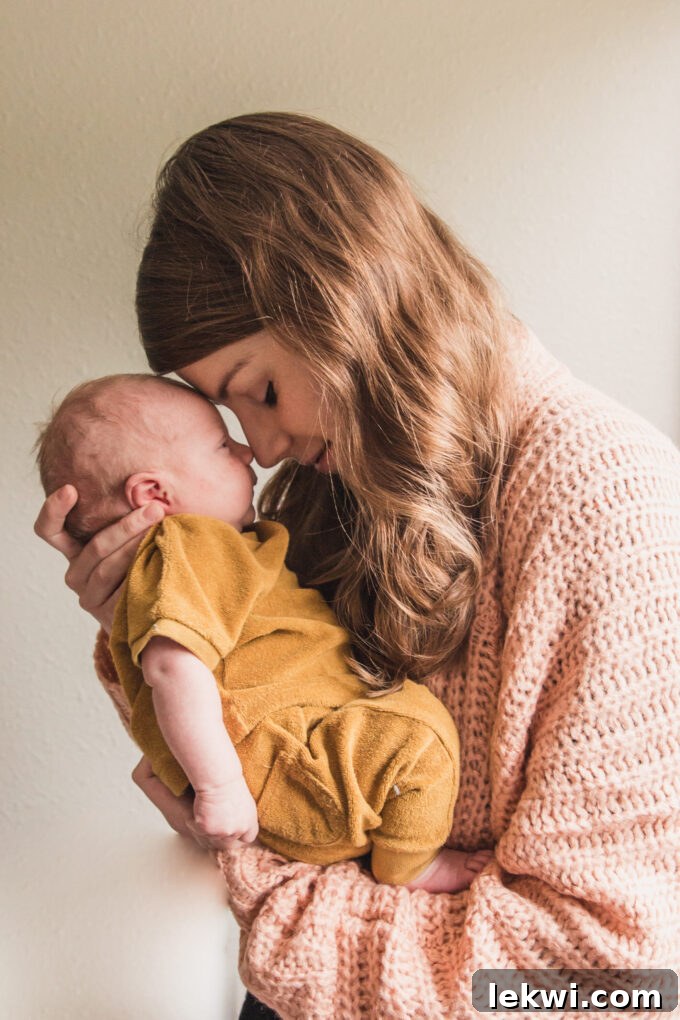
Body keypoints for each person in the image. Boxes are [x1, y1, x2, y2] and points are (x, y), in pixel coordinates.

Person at [34, 113, 680, 1020]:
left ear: (348, 299)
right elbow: (272, 763)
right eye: (232, 416)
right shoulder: (335, 484)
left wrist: (265, 886)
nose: (263, 449)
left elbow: (604, 979)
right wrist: (143, 615)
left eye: (262, 391)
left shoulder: (608, 504)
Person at [36, 372, 492, 893]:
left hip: (290, 770)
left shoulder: (173, 571)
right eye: (221, 445)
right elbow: (171, 665)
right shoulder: (192, 542)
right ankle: (411, 866)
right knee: (420, 739)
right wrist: (220, 787)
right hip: (289, 759)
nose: (247, 451)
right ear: (155, 493)